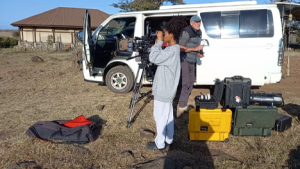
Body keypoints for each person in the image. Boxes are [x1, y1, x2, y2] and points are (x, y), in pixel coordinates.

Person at [147, 16, 188, 150]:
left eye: (164, 34)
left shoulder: (170, 51)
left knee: (160, 118)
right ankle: (169, 139)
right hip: (167, 90)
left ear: (171, 35)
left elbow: (153, 58)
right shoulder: (174, 49)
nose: (162, 36)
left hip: (164, 91)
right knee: (168, 116)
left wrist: (158, 43)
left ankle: (160, 144)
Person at [178, 15, 204, 114]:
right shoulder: (187, 31)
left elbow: (194, 46)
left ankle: (185, 99)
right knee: (186, 83)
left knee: (192, 81)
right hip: (184, 60)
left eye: (199, 22)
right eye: (197, 22)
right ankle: (182, 105)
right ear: (191, 23)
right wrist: (195, 49)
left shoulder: (199, 32)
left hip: (192, 60)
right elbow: (180, 47)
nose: (199, 23)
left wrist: (198, 53)